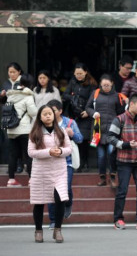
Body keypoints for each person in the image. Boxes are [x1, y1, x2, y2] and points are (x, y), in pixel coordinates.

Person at [108, 94, 137, 230]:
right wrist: (125, 145)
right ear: (132, 104)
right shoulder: (120, 119)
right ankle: (118, 219)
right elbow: (110, 137)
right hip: (123, 161)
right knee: (122, 191)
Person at [28, 104, 72, 243]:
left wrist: (60, 151)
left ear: (54, 115)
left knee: (60, 200)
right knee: (39, 202)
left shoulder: (61, 131)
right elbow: (31, 152)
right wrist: (48, 152)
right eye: (45, 114)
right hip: (40, 172)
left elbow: (69, 148)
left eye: (50, 113)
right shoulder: (35, 132)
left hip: (59, 170)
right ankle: (38, 231)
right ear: (40, 117)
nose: (48, 116)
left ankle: (57, 230)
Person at [47, 99, 83, 228]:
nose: (50, 113)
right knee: (52, 192)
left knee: (66, 188)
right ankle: (53, 220)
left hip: (67, 162)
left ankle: (68, 204)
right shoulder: (45, 124)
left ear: (60, 111)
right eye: (48, 110)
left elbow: (80, 139)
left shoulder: (70, 123)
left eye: (53, 110)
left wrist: (72, 134)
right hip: (50, 162)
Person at [85, 74, 126, 187]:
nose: (106, 87)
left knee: (111, 153)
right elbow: (87, 108)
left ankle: (112, 177)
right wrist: (93, 113)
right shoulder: (95, 93)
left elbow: (120, 112)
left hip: (112, 130)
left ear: (112, 84)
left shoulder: (117, 96)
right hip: (98, 130)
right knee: (101, 156)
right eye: (104, 85)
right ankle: (102, 177)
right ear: (100, 85)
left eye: (108, 85)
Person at [62, 63, 98, 172]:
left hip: (86, 114)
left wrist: (88, 111)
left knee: (84, 139)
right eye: (77, 73)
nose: (79, 76)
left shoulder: (92, 84)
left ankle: (85, 162)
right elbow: (65, 95)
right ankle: (77, 163)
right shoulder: (72, 82)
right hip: (74, 115)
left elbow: (94, 100)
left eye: (81, 73)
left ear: (86, 72)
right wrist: (74, 98)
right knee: (75, 139)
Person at [6, 74, 38, 187]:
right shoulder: (28, 96)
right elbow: (33, 112)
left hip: (11, 128)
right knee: (28, 155)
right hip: (24, 129)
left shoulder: (11, 95)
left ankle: (11, 180)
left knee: (12, 155)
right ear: (31, 84)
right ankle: (31, 179)